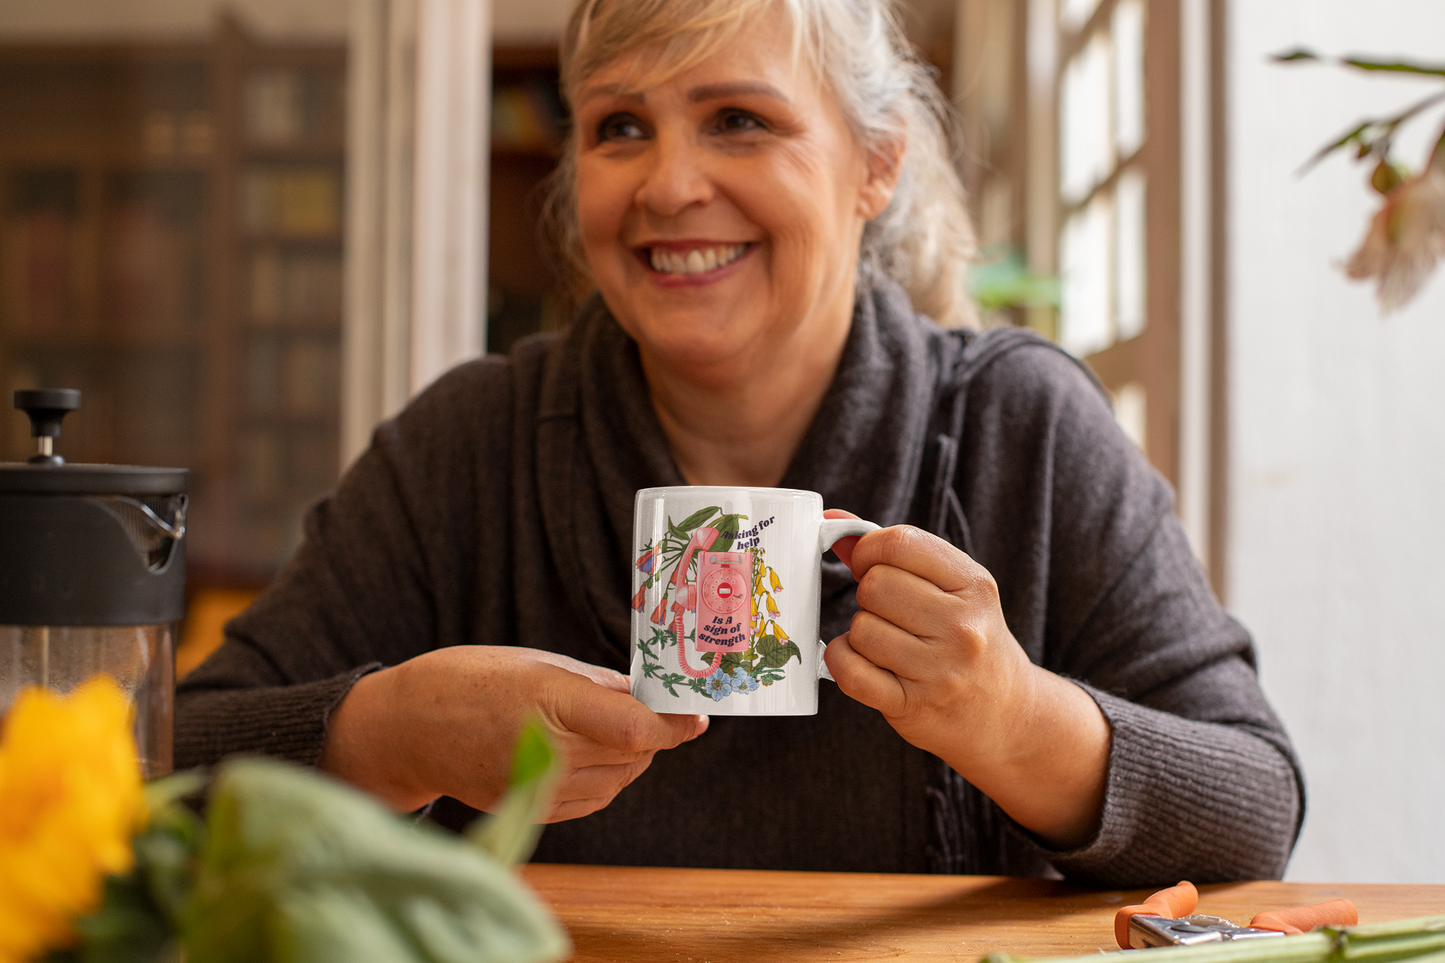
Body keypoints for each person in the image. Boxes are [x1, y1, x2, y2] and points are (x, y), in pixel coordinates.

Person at [176, 0, 1303, 885]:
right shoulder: (466, 450)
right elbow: (163, 765)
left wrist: (1014, 719)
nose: (667, 185)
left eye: (738, 120)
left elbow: (1253, 810)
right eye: (620, 127)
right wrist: (385, 735)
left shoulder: (1019, 428)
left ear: (875, 166)